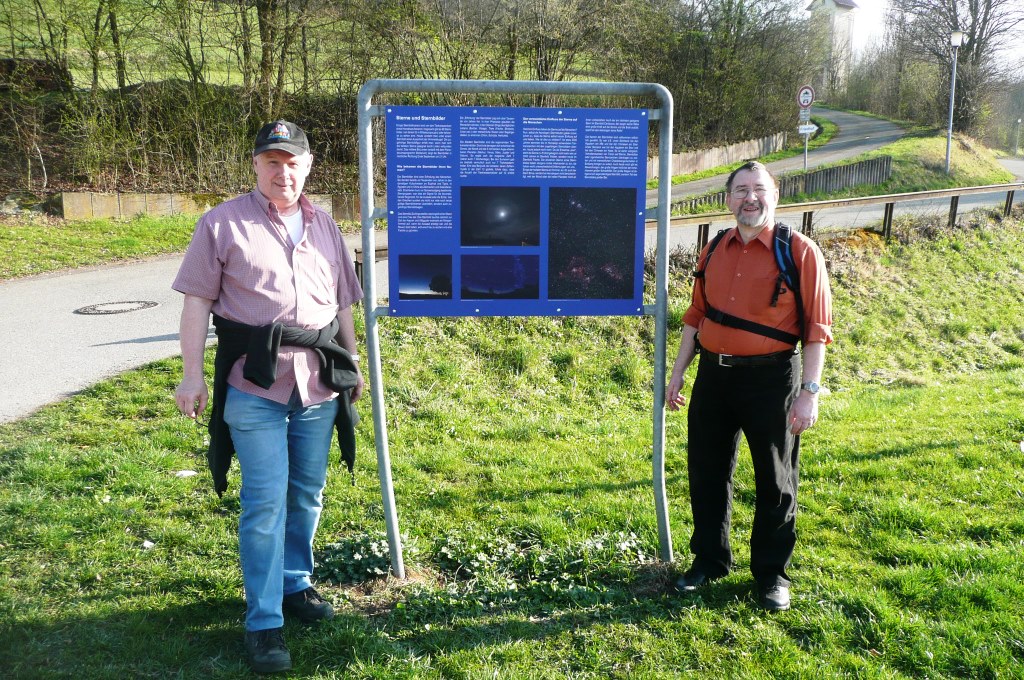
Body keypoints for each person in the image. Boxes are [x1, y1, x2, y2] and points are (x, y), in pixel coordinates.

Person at [172, 120, 364, 673]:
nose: (284, 173)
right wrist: (191, 376)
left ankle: (294, 585)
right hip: (252, 384)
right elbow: (194, 304)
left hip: (319, 384)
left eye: (293, 162)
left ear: (308, 166)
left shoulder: (326, 225)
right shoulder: (221, 224)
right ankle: (263, 621)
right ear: (256, 165)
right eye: (272, 162)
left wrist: (353, 367)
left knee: (307, 491)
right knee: (264, 501)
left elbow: (343, 304)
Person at [666, 160, 832, 612]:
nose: (749, 198)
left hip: (772, 379)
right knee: (706, 470)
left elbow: (817, 330)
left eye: (759, 189)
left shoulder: (799, 252)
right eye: (741, 190)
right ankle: (709, 560)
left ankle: (772, 574)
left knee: (775, 479)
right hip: (714, 377)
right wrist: (679, 372)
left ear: (775, 196)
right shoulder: (714, 248)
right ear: (728, 198)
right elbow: (695, 316)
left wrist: (809, 393)